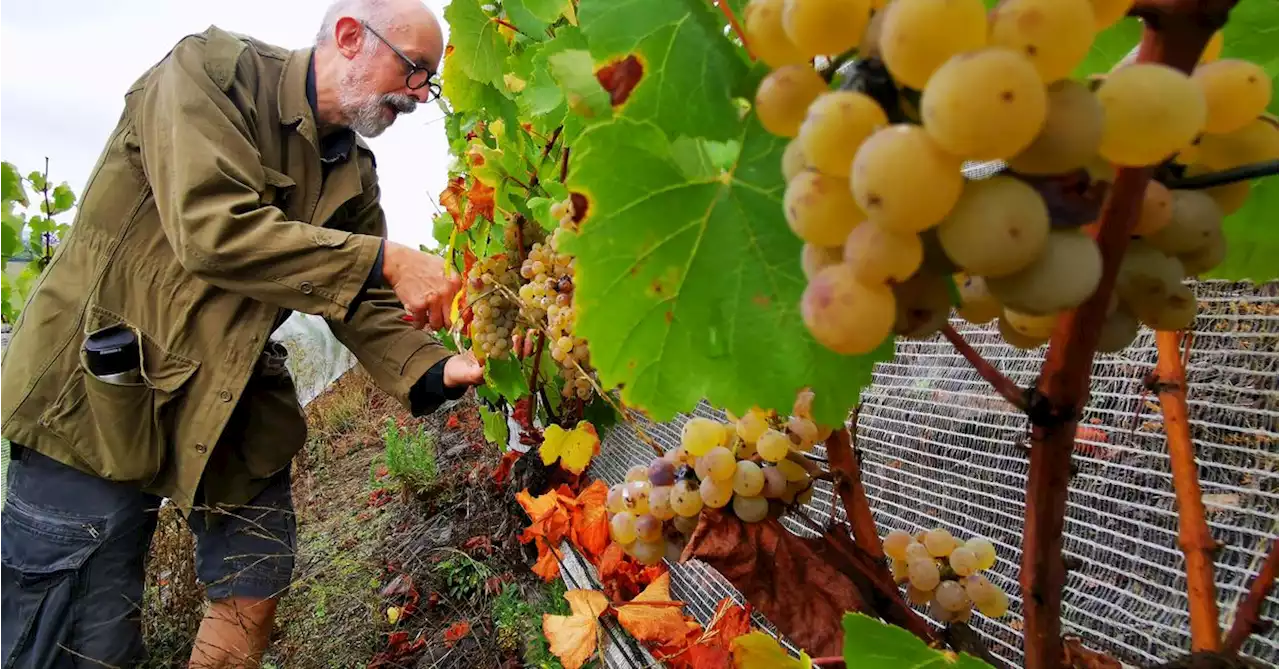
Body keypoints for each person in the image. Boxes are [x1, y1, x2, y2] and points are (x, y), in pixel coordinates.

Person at [0, 0, 481, 666]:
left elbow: (364, 301)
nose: (420, 94)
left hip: (230, 392)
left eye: (428, 82)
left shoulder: (352, 170)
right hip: (99, 388)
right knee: (83, 637)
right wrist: (387, 257)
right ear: (349, 37)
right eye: (414, 71)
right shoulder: (206, 74)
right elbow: (214, 231)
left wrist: (437, 365)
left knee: (253, 579)